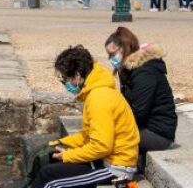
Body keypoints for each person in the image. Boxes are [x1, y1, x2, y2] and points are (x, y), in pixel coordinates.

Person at [34, 45, 138, 188]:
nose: (64, 84)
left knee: (51, 180)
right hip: (104, 159)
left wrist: (67, 156)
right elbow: (87, 135)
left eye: (65, 80)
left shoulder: (99, 98)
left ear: (77, 76)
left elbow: (101, 147)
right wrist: (61, 142)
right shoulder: (94, 93)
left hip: (116, 168)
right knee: (49, 161)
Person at [105, 27, 176, 174]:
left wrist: (115, 126)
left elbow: (139, 112)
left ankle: (120, 171)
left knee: (108, 139)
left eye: (112, 54)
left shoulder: (145, 72)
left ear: (125, 49)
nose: (110, 58)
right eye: (108, 54)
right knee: (103, 133)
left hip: (158, 133)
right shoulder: (128, 70)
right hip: (145, 127)